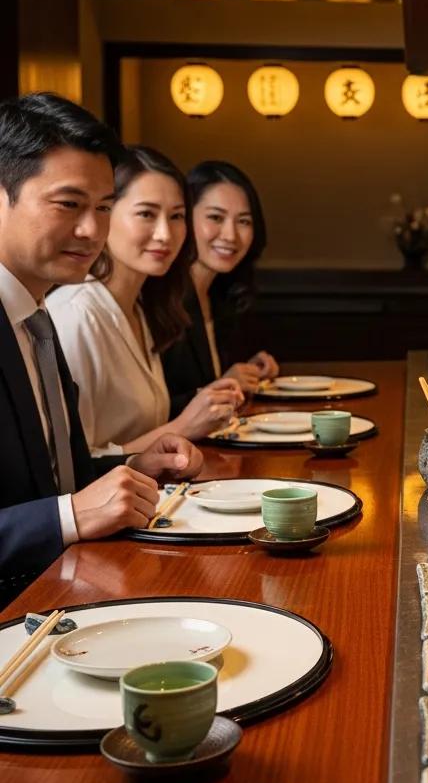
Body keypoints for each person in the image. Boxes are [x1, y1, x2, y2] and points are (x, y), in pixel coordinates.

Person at [0, 93, 202, 596]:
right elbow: (61, 506)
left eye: (104, 207)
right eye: (68, 204)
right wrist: (70, 514)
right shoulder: (62, 311)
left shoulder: (36, 317)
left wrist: (132, 468)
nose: (92, 230)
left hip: (66, 594)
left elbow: (50, 480)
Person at [47, 147, 244, 454]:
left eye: (176, 216)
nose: (165, 234)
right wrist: (182, 427)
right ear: (105, 214)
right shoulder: (76, 315)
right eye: (146, 214)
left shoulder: (140, 307)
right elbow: (71, 466)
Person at [162, 160, 278, 411]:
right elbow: (152, 413)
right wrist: (222, 387)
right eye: (215, 217)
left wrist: (248, 371)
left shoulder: (223, 294)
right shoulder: (163, 298)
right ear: (183, 217)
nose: (230, 235)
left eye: (244, 221)